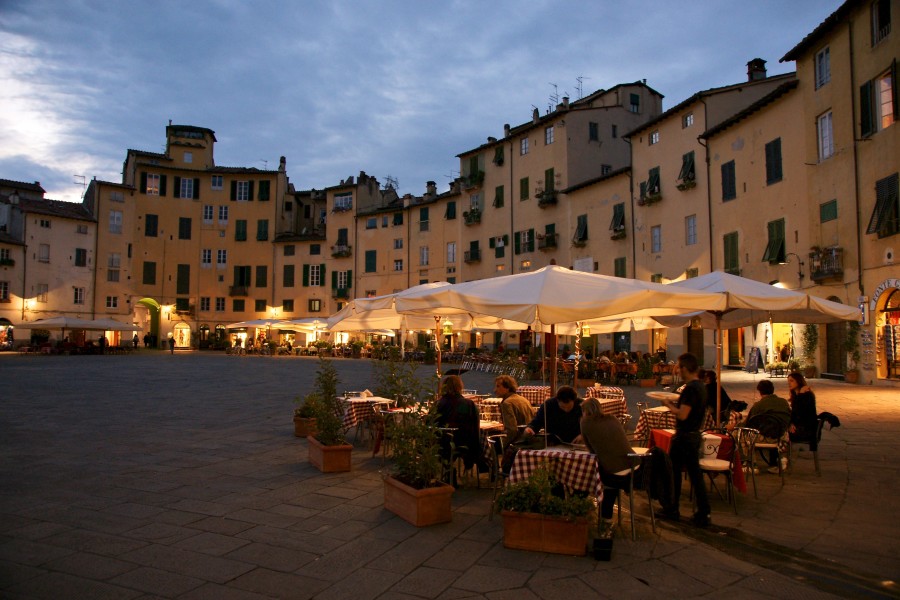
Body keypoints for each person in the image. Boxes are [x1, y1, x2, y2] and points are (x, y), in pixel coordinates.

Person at [657, 352, 711, 527]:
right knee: (695, 476)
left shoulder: (691, 389)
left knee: (674, 473)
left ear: (686, 368)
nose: (677, 370)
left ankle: (672, 509)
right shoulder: (701, 387)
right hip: (695, 435)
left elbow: (683, 414)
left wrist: (668, 405)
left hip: (685, 437)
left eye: (679, 367)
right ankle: (704, 512)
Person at [580, 397, 633, 534]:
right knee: (610, 474)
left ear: (585, 411)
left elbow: (592, 451)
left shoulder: (585, 423)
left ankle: (603, 518)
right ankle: (606, 518)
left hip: (615, 473)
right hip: (634, 468)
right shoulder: (612, 418)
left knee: (593, 476)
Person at [435, 374, 481, 471]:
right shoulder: (469, 404)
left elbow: (431, 423)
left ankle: (447, 469)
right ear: (460, 386)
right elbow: (475, 426)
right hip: (464, 443)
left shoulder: (438, 404)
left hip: (441, 443)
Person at [747, 379, 791, 472]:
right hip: (781, 437)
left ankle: (751, 464)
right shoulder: (783, 402)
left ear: (760, 391)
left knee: (740, 434)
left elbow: (749, 422)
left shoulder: (759, 405)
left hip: (766, 436)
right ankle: (775, 463)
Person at [494, 375, 533, 443]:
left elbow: (512, 430)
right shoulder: (524, 399)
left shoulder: (507, 403)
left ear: (507, 387)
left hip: (518, 441)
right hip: (529, 438)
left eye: (498, 386)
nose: (495, 390)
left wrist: (502, 446)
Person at [787, 372, 817, 445]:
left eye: (792, 381)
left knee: (780, 431)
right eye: (788, 381)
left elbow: (800, 412)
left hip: (805, 430)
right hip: (799, 426)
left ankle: (778, 451)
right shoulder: (796, 395)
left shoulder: (807, 395)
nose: (789, 383)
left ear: (798, 381)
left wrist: (801, 394)